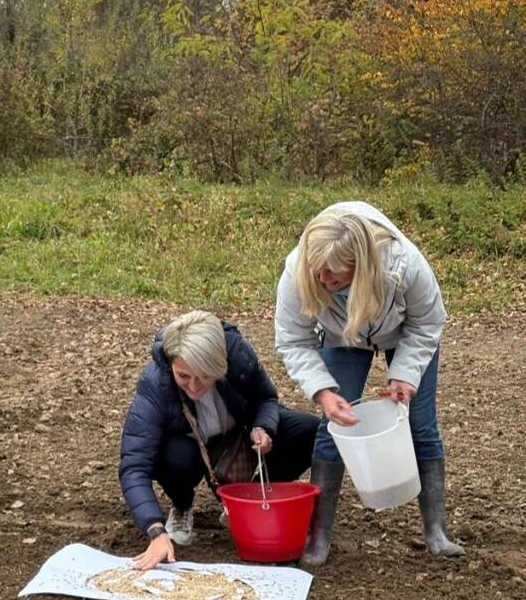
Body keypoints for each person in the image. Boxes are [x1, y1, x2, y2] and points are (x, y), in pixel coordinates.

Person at [275, 201, 465, 567]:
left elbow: (428, 321)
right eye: (318, 273)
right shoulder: (296, 272)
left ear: (360, 266)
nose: (323, 282)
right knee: (333, 428)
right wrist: (323, 391)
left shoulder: (405, 264)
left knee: (421, 425)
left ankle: (436, 532)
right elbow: (292, 340)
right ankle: (319, 537)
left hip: (406, 333)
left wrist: (405, 376)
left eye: (334, 276)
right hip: (341, 337)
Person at [120, 311, 318, 571]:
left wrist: (262, 426)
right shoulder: (155, 384)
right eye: (183, 376)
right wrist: (155, 530)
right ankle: (181, 507)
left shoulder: (237, 355)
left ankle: (249, 500)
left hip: (238, 437)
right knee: (171, 456)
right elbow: (134, 465)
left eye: (203, 376)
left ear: (219, 364)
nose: (193, 386)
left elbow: (266, 398)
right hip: (189, 447)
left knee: (309, 429)